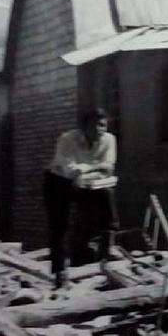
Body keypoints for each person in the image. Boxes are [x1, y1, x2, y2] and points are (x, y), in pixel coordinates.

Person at [43, 108, 118, 288]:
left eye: (103, 125)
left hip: (88, 182)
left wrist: (85, 169)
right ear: (84, 127)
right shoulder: (67, 139)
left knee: (106, 194)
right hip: (59, 181)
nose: (99, 130)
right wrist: (95, 167)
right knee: (59, 226)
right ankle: (58, 272)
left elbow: (109, 167)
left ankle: (109, 246)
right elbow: (70, 170)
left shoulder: (109, 139)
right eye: (95, 125)